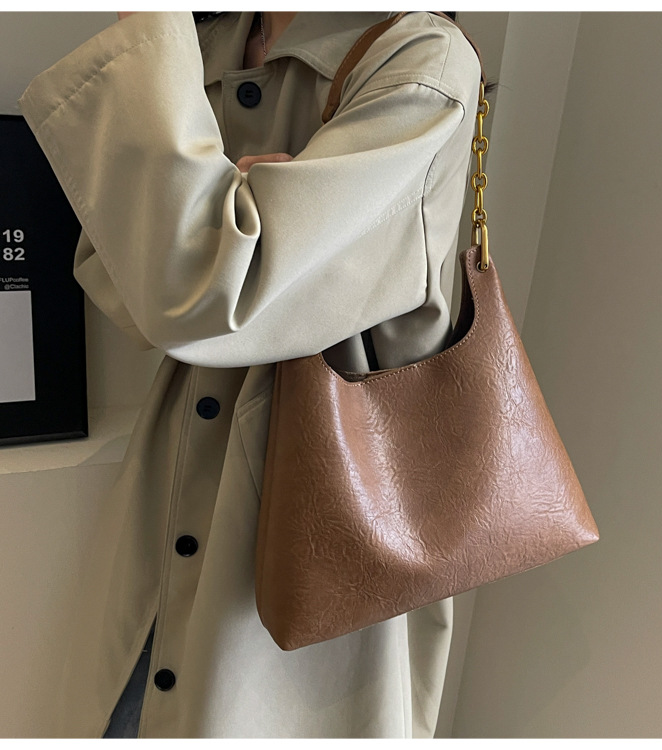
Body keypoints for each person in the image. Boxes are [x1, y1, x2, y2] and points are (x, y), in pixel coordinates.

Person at [17, 10, 482, 738]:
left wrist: (219, 233)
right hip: (169, 493)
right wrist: (236, 229)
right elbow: (128, 284)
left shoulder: (417, 57)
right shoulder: (210, 43)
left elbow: (208, 290)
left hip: (328, 509)